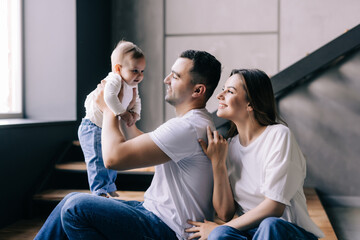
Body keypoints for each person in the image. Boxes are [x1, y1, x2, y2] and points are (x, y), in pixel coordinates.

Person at [34, 49, 222, 240]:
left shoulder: (187, 127)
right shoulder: (193, 122)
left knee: (75, 209)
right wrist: (125, 111)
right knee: (70, 201)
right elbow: (140, 142)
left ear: (198, 90)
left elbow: (112, 159)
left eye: (175, 76)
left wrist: (108, 110)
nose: (166, 80)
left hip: (169, 229)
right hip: (153, 213)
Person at [186, 69, 324, 240]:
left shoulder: (278, 135)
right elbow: (225, 213)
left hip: (287, 232)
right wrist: (218, 163)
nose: (220, 95)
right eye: (223, 89)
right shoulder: (229, 146)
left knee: (269, 224)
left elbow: (274, 207)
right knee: (220, 235)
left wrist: (215, 229)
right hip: (253, 234)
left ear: (250, 103)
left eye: (229, 91)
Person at [78, 40, 145, 197]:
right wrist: (123, 113)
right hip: (93, 127)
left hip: (106, 127)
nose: (139, 76)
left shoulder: (132, 83)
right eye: (135, 70)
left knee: (112, 157)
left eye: (142, 71)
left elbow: (137, 100)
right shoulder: (115, 79)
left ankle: (109, 187)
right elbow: (108, 97)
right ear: (118, 69)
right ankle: (99, 190)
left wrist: (135, 113)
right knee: (98, 161)